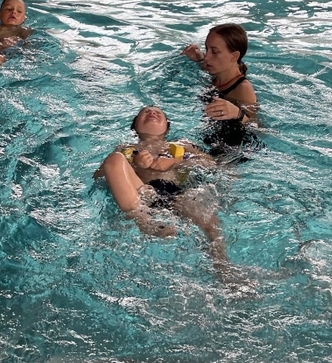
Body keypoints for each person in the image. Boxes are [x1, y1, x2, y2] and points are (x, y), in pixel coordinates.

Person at [95, 106, 248, 287]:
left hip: (178, 193)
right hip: (141, 192)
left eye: (158, 112)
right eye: (145, 112)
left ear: (167, 128)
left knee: (204, 212)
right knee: (115, 159)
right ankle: (142, 219)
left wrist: (175, 163)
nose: (152, 113)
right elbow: (100, 176)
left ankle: (222, 265)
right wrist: (134, 164)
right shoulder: (126, 149)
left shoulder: (182, 146)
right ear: (134, 127)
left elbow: (211, 164)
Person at [182, 23, 260, 157]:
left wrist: (238, 114)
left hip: (231, 149)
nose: (207, 57)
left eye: (214, 51)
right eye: (207, 49)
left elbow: (257, 129)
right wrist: (199, 58)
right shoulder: (215, 71)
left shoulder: (243, 89)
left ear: (234, 56)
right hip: (207, 134)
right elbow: (204, 64)